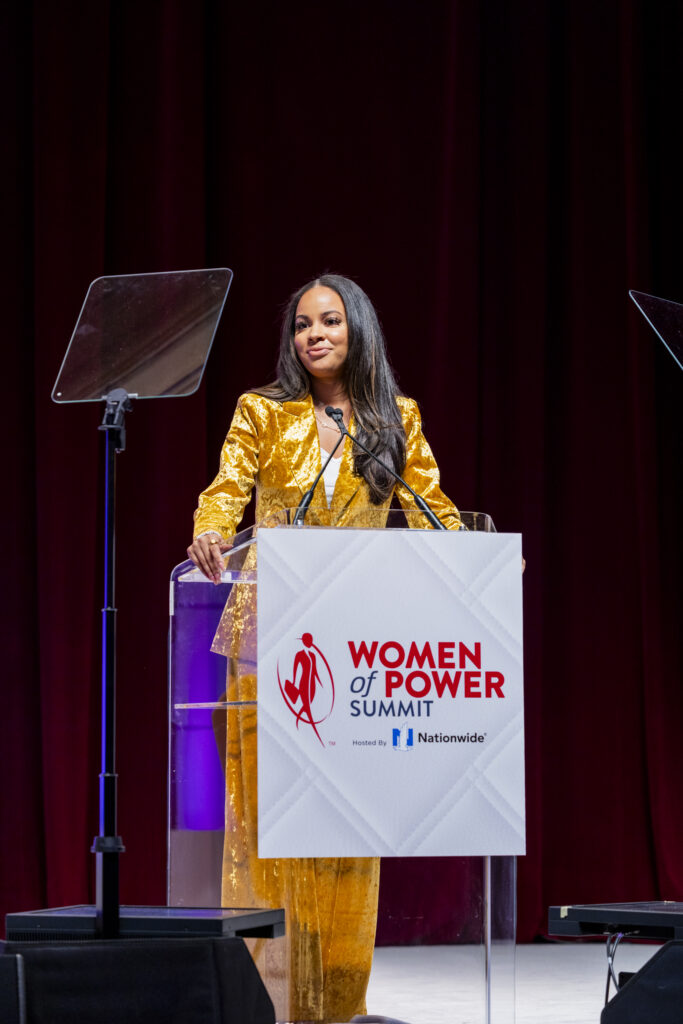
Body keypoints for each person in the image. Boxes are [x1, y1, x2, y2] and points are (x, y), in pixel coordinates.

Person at [188, 274, 461, 1023]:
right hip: (264, 638)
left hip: (355, 645)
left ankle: (340, 1002)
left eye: (330, 321)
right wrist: (210, 528)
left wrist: (484, 561)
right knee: (267, 829)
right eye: (303, 324)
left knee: (347, 830)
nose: (314, 334)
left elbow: (432, 512)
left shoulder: (395, 418)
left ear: (357, 329)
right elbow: (227, 487)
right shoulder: (261, 411)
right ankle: (264, 1001)